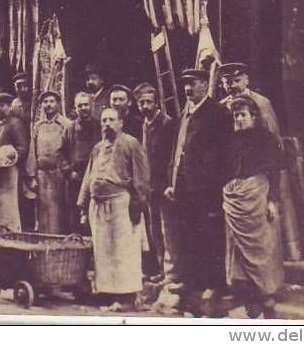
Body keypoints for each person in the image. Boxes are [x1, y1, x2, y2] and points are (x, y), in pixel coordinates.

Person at [164, 68, 233, 314]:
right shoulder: (186, 113)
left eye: (192, 84)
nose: (187, 89)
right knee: (188, 235)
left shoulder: (218, 113)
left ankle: (214, 284)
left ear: (205, 84)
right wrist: (172, 182)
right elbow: (179, 149)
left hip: (207, 189)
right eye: (185, 85)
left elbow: (226, 154)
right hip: (184, 187)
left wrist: (216, 184)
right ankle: (193, 281)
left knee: (211, 235)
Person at [77, 107, 150, 310]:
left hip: (121, 204)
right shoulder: (98, 148)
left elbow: (141, 176)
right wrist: (83, 205)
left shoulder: (130, 144)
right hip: (98, 205)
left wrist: (138, 204)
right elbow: (88, 176)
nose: (107, 123)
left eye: (111, 120)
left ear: (120, 123)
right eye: (104, 120)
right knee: (103, 251)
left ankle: (127, 297)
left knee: (123, 250)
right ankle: (107, 293)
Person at [223, 97, 285, 318]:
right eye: (235, 115)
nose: (239, 119)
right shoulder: (228, 140)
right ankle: (249, 296)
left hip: (257, 194)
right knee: (238, 248)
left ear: (254, 116)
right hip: (234, 199)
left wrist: (271, 200)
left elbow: (274, 172)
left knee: (260, 245)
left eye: (243, 115)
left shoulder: (266, 139)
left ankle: (266, 294)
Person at [134, 82, 176, 282]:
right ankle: (160, 269)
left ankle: (171, 272)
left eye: (148, 102)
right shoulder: (144, 124)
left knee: (167, 230)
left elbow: (171, 157)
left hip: (163, 186)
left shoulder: (166, 123)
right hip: (149, 186)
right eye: (141, 102)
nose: (145, 106)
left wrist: (168, 183)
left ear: (156, 102)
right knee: (154, 230)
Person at [0, 89, 29, 232]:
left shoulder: (15, 124)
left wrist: (2, 157)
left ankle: (11, 236)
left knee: (9, 208)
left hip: (9, 174)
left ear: (9, 107)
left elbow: (22, 150)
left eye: (2, 105)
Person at [26, 90, 72, 233]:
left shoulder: (66, 124)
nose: (48, 105)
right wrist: (32, 176)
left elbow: (70, 150)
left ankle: (59, 243)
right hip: (42, 175)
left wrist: (68, 171)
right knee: (43, 211)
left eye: (52, 101)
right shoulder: (38, 126)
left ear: (58, 104)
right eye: (45, 102)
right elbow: (32, 151)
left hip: (60, 174)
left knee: (59, 210)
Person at [61, 91, 102, 234]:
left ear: (91, 105)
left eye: (86, 105)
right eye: (80, 105)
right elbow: (61, 153)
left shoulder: (100, 125)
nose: (83, 108)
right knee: (75, 215)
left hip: (96, 178)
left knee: (94, 214)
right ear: (75, 108)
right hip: (75, 178)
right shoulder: (70, 128)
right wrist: (68, 171)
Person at [218, 63, 280, 135]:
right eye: (228, 82)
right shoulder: (221, 106)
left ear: (246, 81)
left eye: (237, 81)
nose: (233, 85)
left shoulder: (261, 102)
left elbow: (273, 133)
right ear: (223, 85)